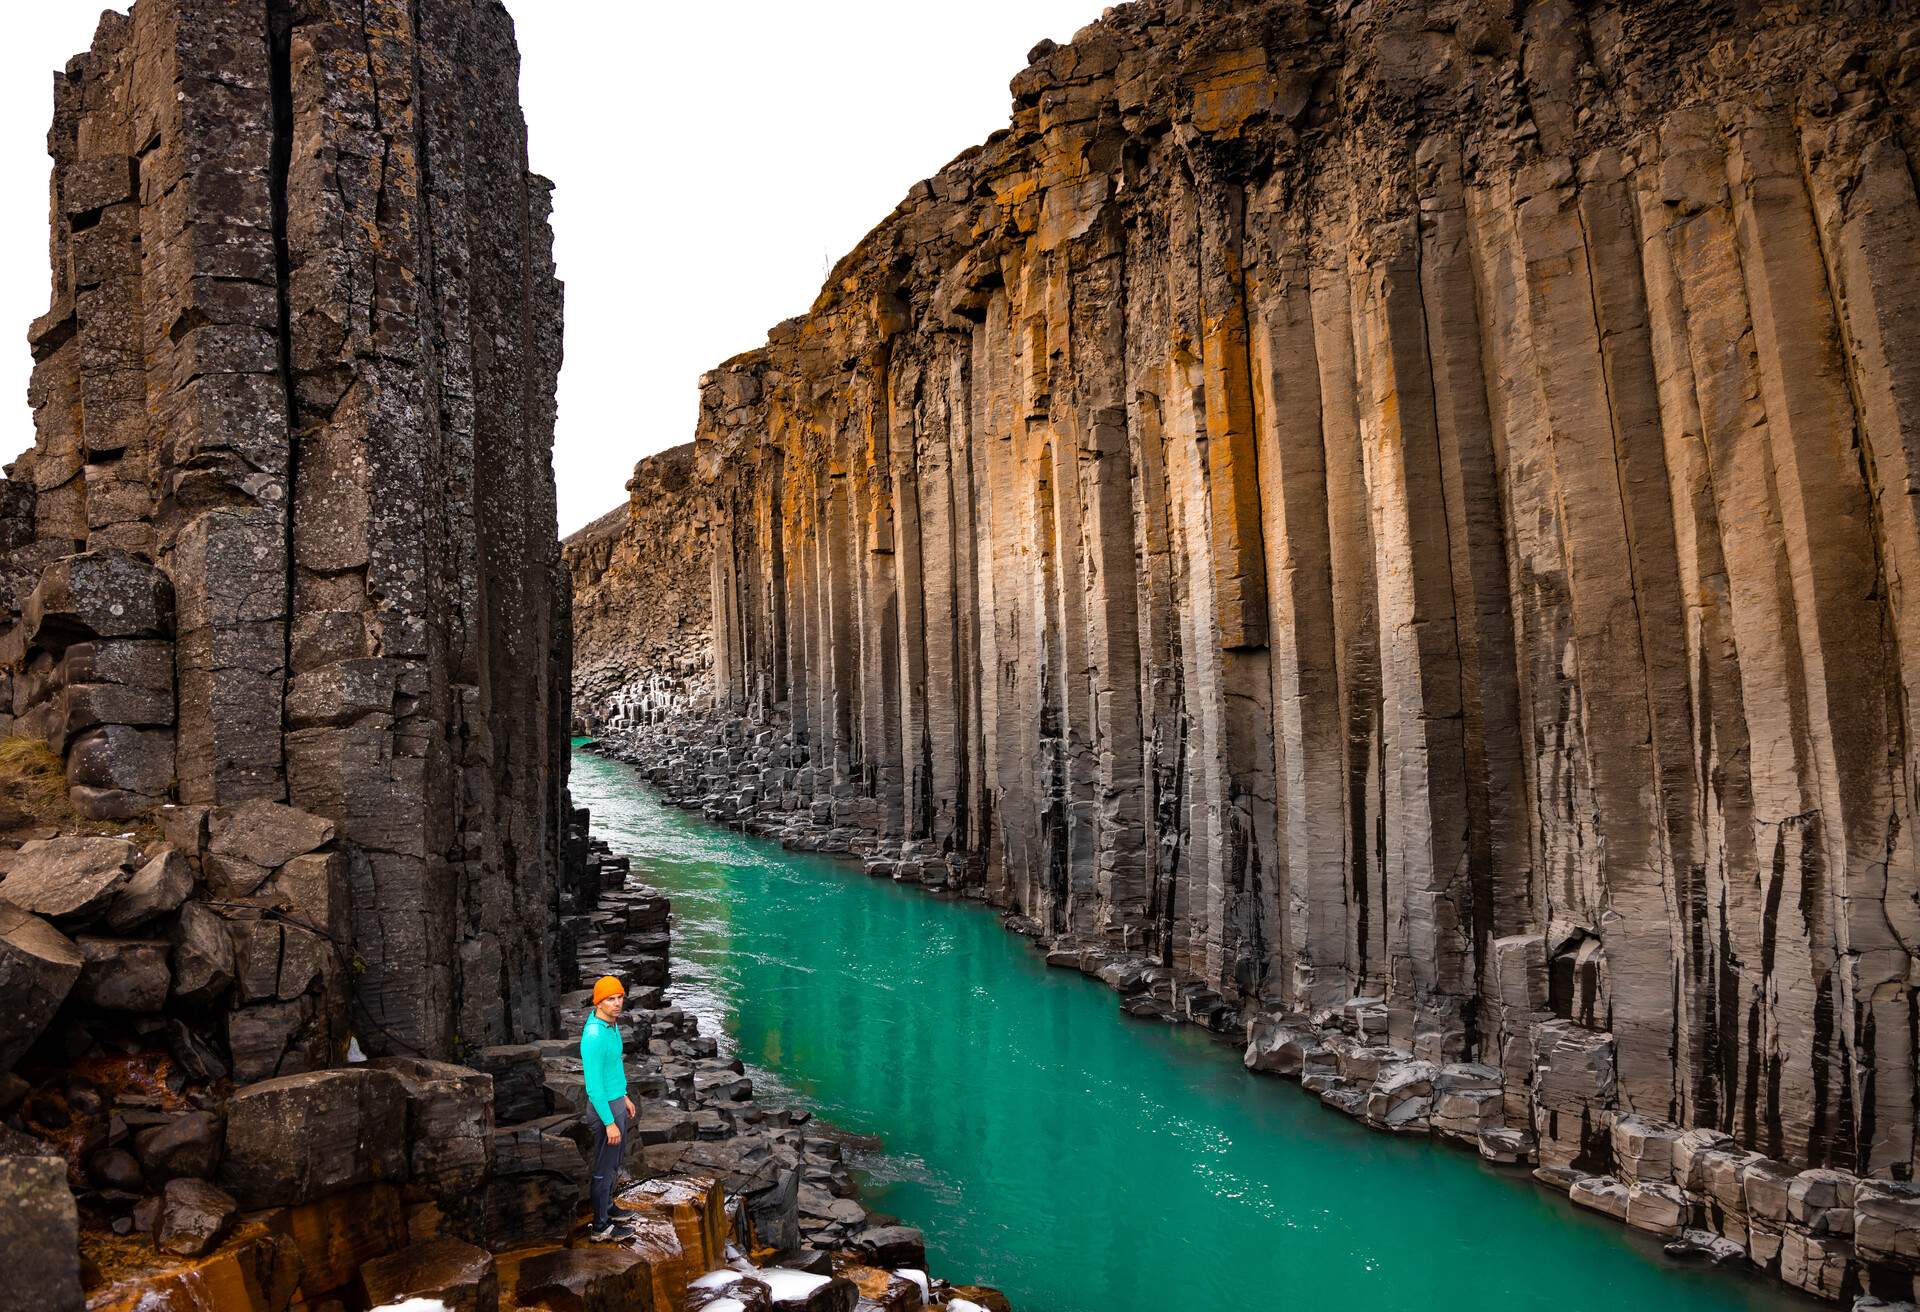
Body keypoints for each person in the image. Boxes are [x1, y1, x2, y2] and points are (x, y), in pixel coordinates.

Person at [581, 974, 638, 1241]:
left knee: (614, 1162)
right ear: (598, 1003)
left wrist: (624, 1096)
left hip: (615, 1101)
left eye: (619, 998)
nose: (617, 1004)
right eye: (610, 999)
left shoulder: (611, 1025)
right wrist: (608, 1121)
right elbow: (593, 1086)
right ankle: (601, 1227)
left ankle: (609, 1207)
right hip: (603, 1107)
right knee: (604, 1168)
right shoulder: (594, 1035)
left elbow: (614, 1066)